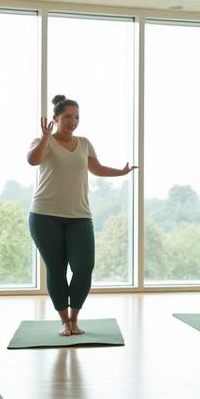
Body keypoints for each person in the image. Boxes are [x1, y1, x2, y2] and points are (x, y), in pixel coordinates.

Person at [27, 95, 137, 336]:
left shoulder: (84, 143)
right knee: (56, 269)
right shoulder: (43, 141)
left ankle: (75, 318)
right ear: (55, 118)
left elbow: (96, 169)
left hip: (79, 215)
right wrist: (46, 137)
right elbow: (32, 160)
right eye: (67, 117)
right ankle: (64, 321)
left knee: (84, 266)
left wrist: (121, 171)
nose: (73, 121)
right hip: (45, 215)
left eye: (76, 117)